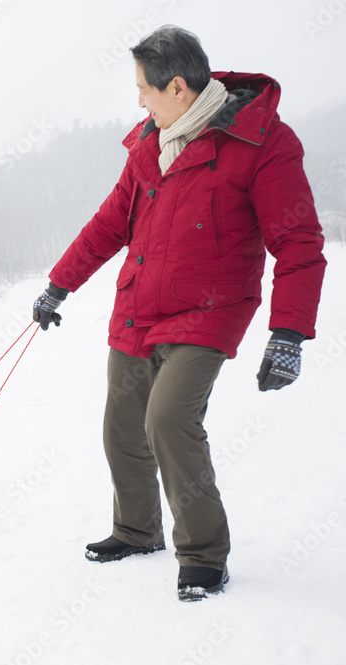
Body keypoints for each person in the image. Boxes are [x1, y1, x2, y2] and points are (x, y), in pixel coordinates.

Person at [32, 26, 326, 601]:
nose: (138, 100)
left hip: (210, 310)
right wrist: (56, 287)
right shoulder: (149, 142)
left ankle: (204, 554)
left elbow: (298, 241)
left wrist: (288, 332)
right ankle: (137, 531)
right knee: (122, 426)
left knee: (167, 420)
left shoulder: (263, 142)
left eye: (144, 89)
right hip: (139, 306)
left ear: (178, 87)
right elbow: (109, 224)